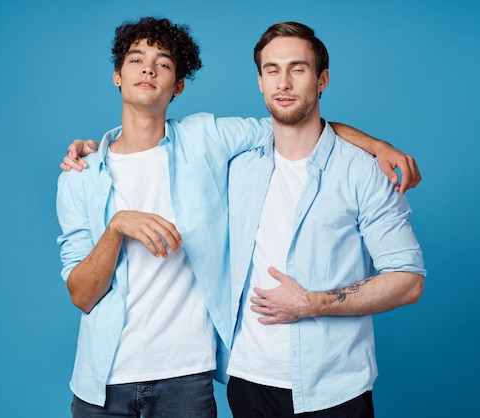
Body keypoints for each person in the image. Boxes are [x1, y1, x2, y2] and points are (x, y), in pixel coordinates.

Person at [57, 16, 421, 418]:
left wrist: (377, 146)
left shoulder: (208, 141)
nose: (147, 69)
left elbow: (295, 120)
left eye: (163, 62)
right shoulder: (83, 176)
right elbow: (81, 294)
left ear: (178, 85)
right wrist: (117, 224)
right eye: (136, 59)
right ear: (117, 76)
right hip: (125, 381)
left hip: (200, 377)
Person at [224, 22, 426, 417]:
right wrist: (94, 152)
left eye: (298, 69)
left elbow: (409, 280)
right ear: (260, 81)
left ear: (322, 80)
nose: (283, 82)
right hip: (247, 382)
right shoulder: (236, 165)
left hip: (333, 388)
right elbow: (160, 146)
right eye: (272, 70)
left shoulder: (363, 172)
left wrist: (311, 303)